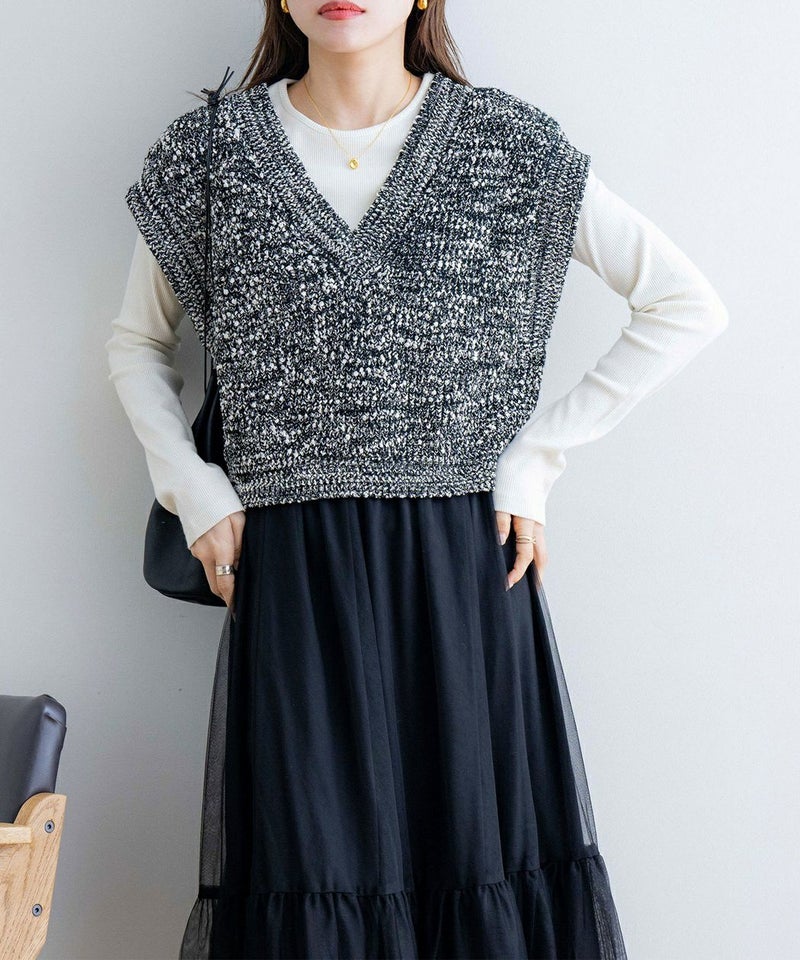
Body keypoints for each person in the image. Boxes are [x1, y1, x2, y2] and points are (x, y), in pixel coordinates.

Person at [106, 1, 728, 957]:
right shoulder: (212, 154)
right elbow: (136, 344)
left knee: (469, 860)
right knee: (313, 867)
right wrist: (194, 490)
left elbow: (684, 305)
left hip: (462, 569)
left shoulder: (505, 146)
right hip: (296, 577)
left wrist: (536, 459)